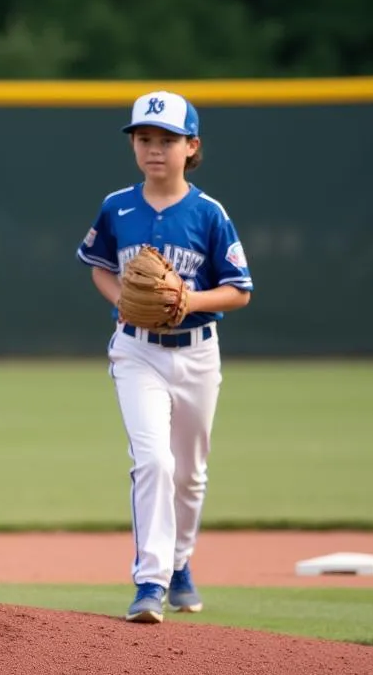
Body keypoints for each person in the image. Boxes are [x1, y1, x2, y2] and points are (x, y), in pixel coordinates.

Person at [76, 90, 253, 623]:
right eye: (144, 139)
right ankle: (150, 581)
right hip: (136, 353)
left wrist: (186, 300)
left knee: (191, 473)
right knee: (153, 460)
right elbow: (100, 266)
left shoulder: (208, 214)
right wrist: (124, 303)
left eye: (167, 140)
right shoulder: (116, 206)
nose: (154, 149)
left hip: (198, 352)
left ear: (190, 146)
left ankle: (179, 563)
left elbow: (240, 289)